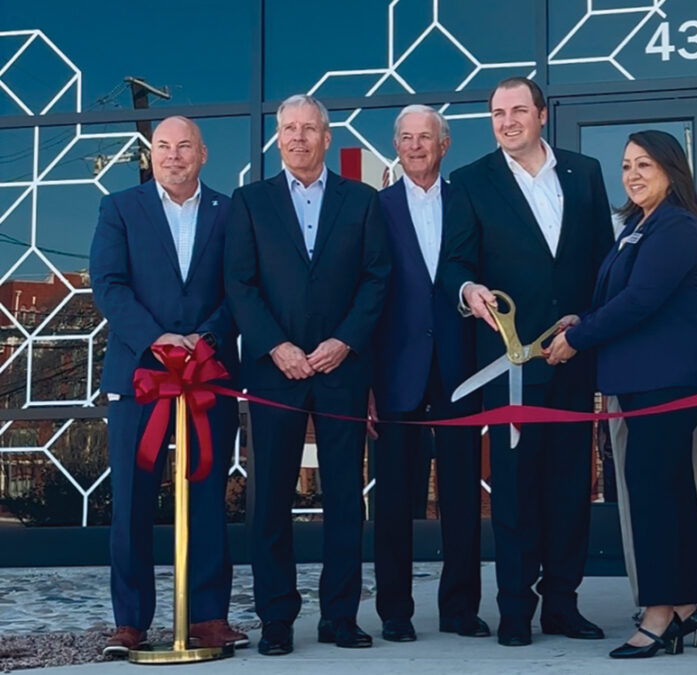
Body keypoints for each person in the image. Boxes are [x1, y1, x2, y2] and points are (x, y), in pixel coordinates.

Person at [441, 77, 614, 647]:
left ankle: (562, 605)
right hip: (511, 364)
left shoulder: (585, 173)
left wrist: (588, 323)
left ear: (542, 114)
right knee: (514, 491)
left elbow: (601, 261)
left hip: (573, 355)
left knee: (571, 489)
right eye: (497, 113)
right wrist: (469, 292)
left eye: (518, 110)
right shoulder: (469, 181)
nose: (507, 121)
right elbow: (455, 263)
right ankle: (515, 608)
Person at [546, 130, 697, 658]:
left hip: (667, 380)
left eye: (644, 164)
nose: (633, 174)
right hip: (639, 378)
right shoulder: (638, 227)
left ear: (672, 168)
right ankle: (688, 609)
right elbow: (623, 296)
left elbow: (643, 300)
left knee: (651, 494)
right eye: (626, 166)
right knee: (668, 492)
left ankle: (659, 614)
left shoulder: (677, 226)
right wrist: (584, 317)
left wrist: (577, 339)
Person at [224, 94, 391, 656]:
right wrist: (276, 346)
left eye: (309, 129)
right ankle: (276, 619)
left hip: (343, 369)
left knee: (345, 497)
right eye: (288, 129)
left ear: (326, 135)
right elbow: (240, 285)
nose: (298, 138)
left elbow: (376, 280)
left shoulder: (363, 201)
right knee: (270, 498)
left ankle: (340, 616)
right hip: (276, 373)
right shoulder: (249, 203)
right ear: (277, 137)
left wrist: (346, 340)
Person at [89, 116, 246, 656]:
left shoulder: (231, 213)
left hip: (208, 374)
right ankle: (129, 622)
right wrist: (157, 339)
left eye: (184, 147)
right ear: (150, 154)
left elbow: (241, 287)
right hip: (140, 377)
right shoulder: (120, 209)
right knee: (131, 500)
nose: (174, 156)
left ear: (203, 155)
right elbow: (108, 285)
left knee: (206, 493)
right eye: (163, 147)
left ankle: (207, 617)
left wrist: (204, 338)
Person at [370, 104, 485, 642]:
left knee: (461, 494)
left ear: (444, 145)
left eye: (426, 137)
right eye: (407, 137)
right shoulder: (376, 208)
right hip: (396, 372)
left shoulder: (470, 201)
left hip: (460, 368)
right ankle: (395, 611)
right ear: (396, 145)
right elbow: (367, 295)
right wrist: (368, 381)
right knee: (394, 498)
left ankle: (461, 608)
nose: (416, 146)